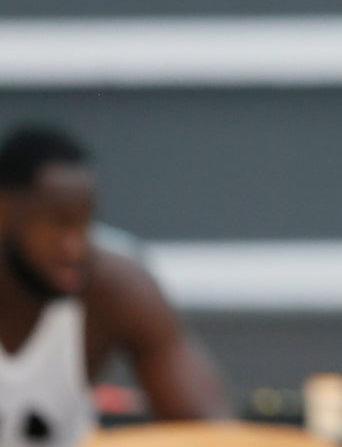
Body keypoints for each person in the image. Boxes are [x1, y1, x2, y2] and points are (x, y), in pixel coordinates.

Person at [0, 124, 230, 447]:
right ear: (4, 212)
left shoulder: (115, 287)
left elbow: (208, 432)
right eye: (59, 222)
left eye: (85, 221)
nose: (76, 247)